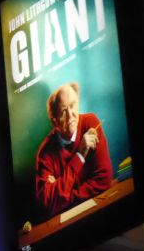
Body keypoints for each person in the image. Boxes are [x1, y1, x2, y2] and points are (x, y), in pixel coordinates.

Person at [34, 82, 112, 217]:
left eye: (73, 105)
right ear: (54, 121)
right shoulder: (45, 153)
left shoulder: (91, 123)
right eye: (63, 111)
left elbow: (104, 179)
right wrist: (79, 156)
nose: (70, 115)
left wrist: (62, 196)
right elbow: (47, 204)